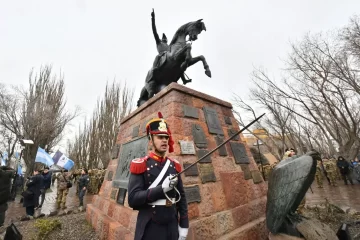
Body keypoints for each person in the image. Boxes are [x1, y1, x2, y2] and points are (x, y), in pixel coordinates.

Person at [128, 112, 189, 240]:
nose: (164, 140)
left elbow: (181, 198)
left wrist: (183, 226)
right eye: (160, 137)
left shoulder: (174, 165)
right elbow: (133, 198)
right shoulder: (141, 164)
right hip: (151, 226)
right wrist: (162, 189)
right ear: (151, 139)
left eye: (166, 138)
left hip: (172, 225)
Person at [151, 9, 191, 85]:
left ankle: (184, 79)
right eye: (164, 38)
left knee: (178, 62)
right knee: (157, 56)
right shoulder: (158, 42)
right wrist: (153, 18)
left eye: (166, 38)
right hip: (162, 55)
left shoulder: (169, 46)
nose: (165, 39)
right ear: (162, 39)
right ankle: (154, 68)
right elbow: (154, 31)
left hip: (169, 55)